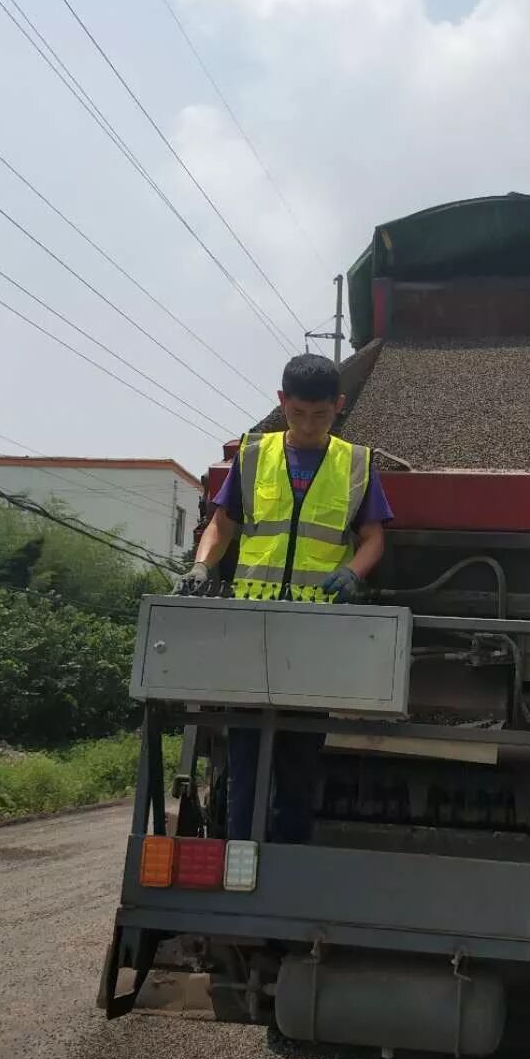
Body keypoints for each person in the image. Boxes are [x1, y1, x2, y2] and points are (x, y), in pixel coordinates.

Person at [175, 353, 393, 843]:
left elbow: (373, 537)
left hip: (314, 633)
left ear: (339, 405)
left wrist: (352, 573)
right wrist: (200, 566)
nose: (310, 425)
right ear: (282, 402)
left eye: (321, 415)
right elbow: (222, 524)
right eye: (298, 414)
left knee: (299, 761)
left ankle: (289, 856)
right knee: (246, 760)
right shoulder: (255, 455)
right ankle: (241, 859)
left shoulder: (355, 463)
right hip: (254, 627)